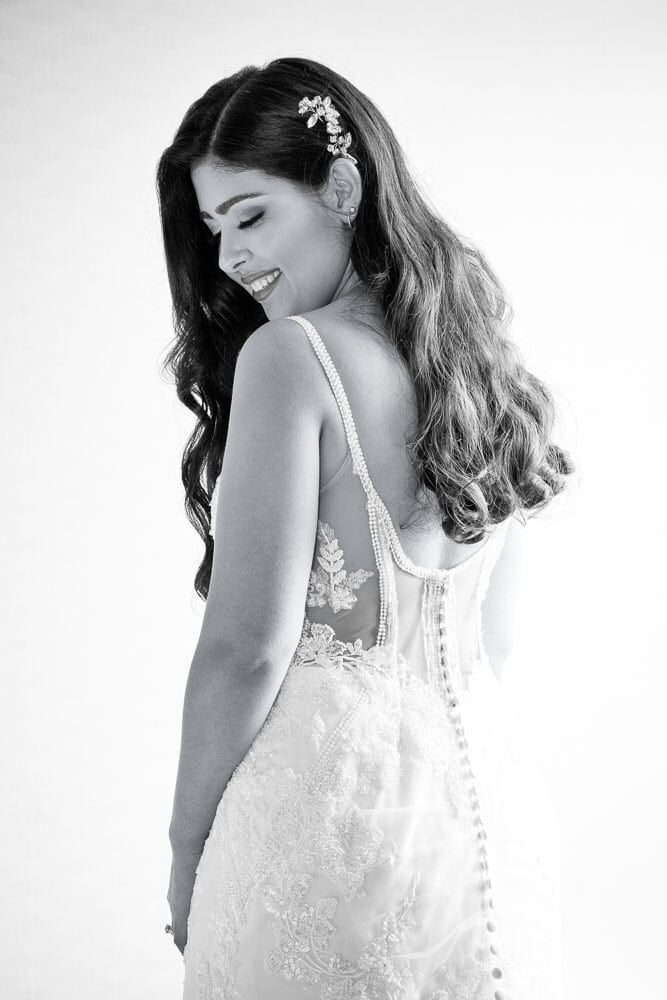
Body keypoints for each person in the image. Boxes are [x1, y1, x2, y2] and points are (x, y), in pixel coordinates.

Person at [156, 56, 575, 999]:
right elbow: (492, 644)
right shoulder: (479, 365)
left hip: (321, 820)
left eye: (252, 213)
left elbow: (244, 649)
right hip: (483, 829)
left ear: (341, 187)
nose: (226, 256)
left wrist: (188, 846)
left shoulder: (289, 356)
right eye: (213, 226)